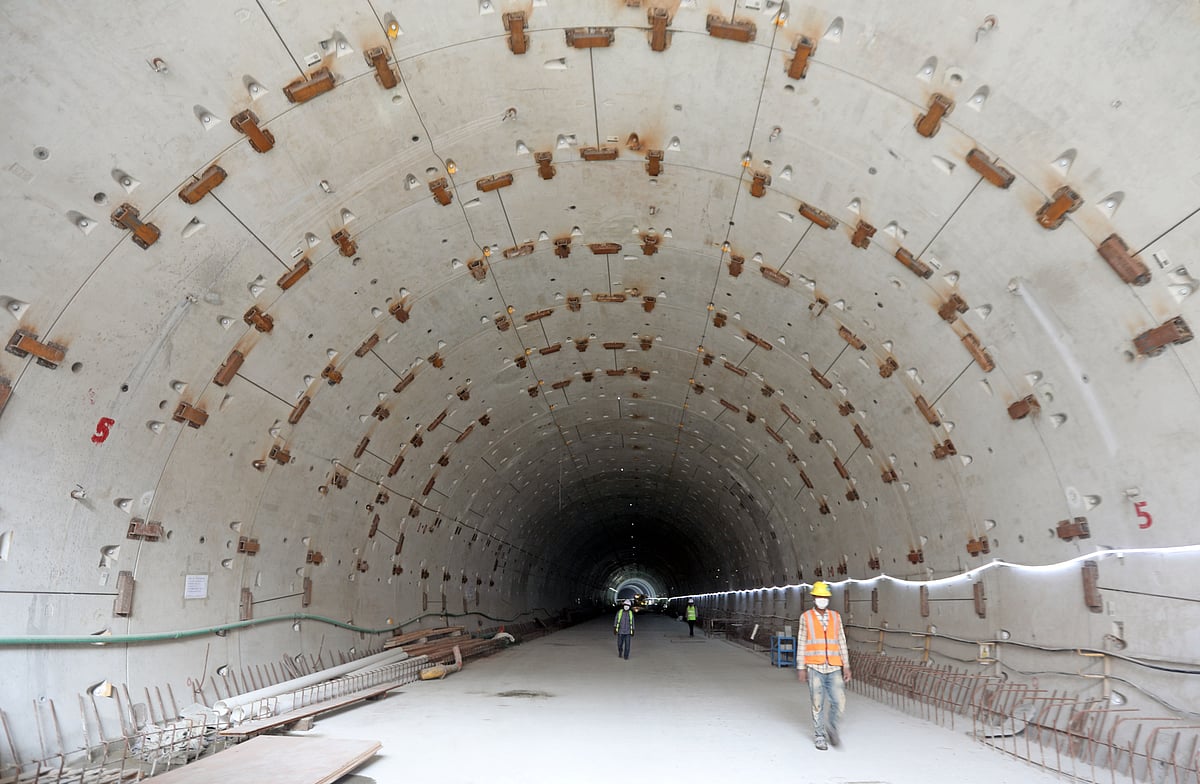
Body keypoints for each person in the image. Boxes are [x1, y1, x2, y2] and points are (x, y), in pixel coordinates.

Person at [796, 581, 851, 750]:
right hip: (815, 666)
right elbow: (802, 642)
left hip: (834, 666)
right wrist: (801, 667)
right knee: (817, 703)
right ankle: (819, 735)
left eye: (825, 597)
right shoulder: (806, 617)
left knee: (839, 701)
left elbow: (841, 640)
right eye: (819, 596)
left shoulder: (835, 617)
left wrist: (846, 665)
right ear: (814, 598)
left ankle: (832, 727)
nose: (822, 599)